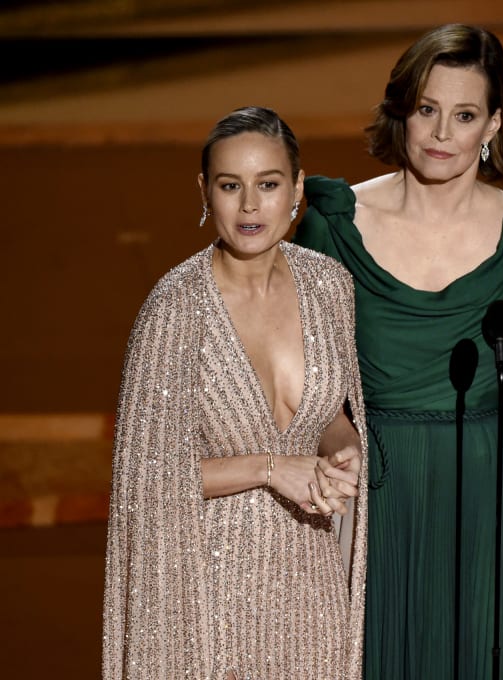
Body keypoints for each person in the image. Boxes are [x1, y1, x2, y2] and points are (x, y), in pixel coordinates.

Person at [292, 24, 503, 680]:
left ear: (493, 125)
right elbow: (307, 380)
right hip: (371, 490)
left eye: (464, 115)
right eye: (427, 109)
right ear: (402, 113)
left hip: (485, 490)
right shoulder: (331, 224)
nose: (443, 134)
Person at [102, 106, 368, 680]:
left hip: (310, 587)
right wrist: (271, 469)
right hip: (208, 597)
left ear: (296, 188)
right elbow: (144, 478)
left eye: (268, 184)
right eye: (231, 186)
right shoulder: (173, 310)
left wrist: (342, 448)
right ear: (205, 191)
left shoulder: (329, 287)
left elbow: (331, 414)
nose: (250, 206)